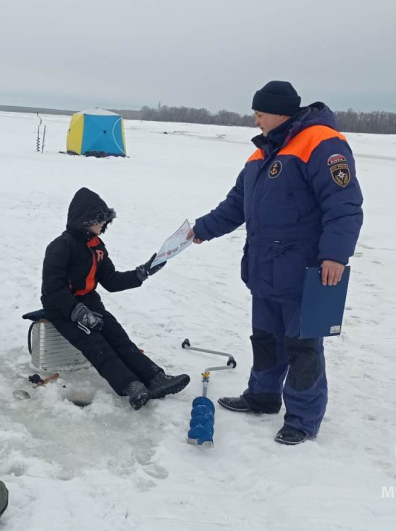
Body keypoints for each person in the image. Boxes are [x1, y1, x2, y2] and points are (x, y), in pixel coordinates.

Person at [191, 81, 364, 444]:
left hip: (305, 271)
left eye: (259, 114)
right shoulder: (261, 155)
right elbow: (236, 204)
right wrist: (202, 229)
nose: (256, 122)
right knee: (265, 338)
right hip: (264, 268)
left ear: (280, 112)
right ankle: (263, 396)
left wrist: (335, 254)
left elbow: (344, 204)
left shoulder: (322, 142)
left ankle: (302, 418)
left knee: (302, 347)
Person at [41, 188, 190, 409]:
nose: (103, 225)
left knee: (118, 338)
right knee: (97, 346)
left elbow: (110, 280)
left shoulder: (97, 247)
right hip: (64, 310)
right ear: (86, 220)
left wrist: (142, 273)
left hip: (90, 303)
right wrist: (79, 313)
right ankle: (131, 386)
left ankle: (156, 378)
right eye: (100, 220)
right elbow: (52, 288)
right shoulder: (61, 247)